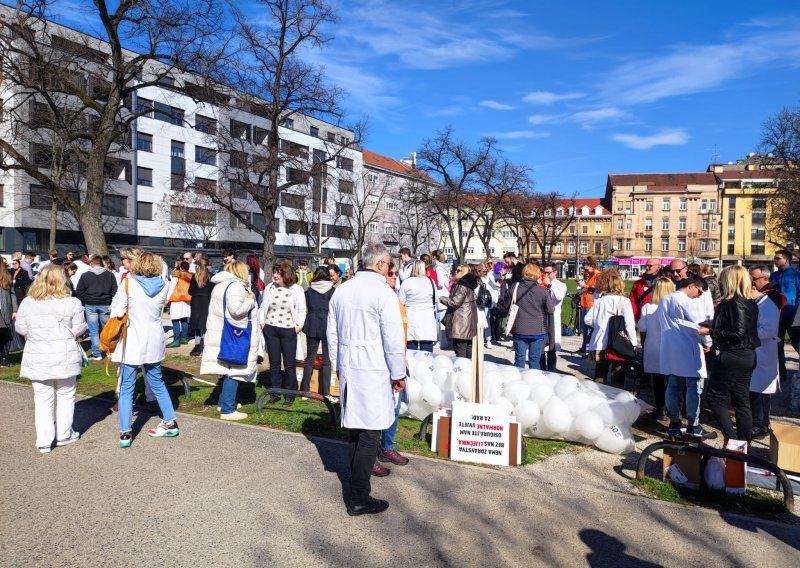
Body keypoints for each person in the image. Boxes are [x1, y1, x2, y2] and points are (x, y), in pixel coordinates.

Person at [327, 243, 406, 516]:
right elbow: (393, 338)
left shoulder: (343, 290)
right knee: (370, 433)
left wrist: (338, 366)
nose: (390, 270)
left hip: (350, 367)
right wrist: (398, 373)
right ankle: (359, 495)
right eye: (389, 265)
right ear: (380, 264)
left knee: (355, 430)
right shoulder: (383, 293)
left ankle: (356, 489)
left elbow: (332, 334)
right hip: (373, 367)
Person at [14, 264, 86, 453]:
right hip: (64, 351)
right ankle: (64, 433)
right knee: (66, 393)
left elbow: (21, 328)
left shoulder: (28, 302)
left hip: (38, 353)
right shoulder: (72, 303)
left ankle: (44, 439)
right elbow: (79, 328)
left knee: (43, 396)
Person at [110, 252, 177, 448]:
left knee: (127, 386)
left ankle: (125, 432)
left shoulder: (129, 284)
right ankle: (170, 420)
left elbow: (119, 311)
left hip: (133, 338)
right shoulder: (164, 285)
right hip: (154, 338)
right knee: (157, 382)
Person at [704, 266, 760, 443]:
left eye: (722, 280)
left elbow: (738, 333)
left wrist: (711, 332)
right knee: (741, 400)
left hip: (734, 355)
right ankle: (743, 444)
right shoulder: (748, 302)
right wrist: (715, 325)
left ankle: (732, 440)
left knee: (715, 397)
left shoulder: (733, 303)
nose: (720, 283)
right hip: (746, 355)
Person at [201, 260, 261, 421]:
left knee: (228, 367)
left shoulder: (221, 284)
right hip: (234, 333)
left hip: (222, 331)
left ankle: (224, 401)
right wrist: (251, 300)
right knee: (234, 370)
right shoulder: (235, 286)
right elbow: (236, 310)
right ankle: (227, 408)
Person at [656, 275, 714, 440]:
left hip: (669, 346)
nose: (699, 296)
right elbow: (700, 324)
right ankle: (693, 425)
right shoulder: (686, 301)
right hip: (688, 347)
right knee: (694, 387)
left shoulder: (665, 299)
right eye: (700, 292)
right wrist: (708, 341)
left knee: (673, 386)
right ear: (692, 286)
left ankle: (674, 424)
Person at [260, 261, 307, 407]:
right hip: (271, 329)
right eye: (274, 272)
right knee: (274, 363)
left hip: (288, 330)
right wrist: (263, 323)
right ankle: (275, 393)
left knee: (289, 364)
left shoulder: (296, 289)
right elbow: (263, 306)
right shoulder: (270, 287)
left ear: (286, 274)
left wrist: (298, 326)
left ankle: (290, 394)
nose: (275, 275)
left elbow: (301, 309)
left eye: (278, 273)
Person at [377, 262, 409, 471]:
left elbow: (400, 333)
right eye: (390, 274)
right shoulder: (381, 298)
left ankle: (387, 446)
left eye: (396, 274)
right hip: (381, 362)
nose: (394, 277)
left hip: (397, 359)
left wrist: (402, 357)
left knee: (394, 408)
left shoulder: (396, 300)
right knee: (379, 409)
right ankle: (373, 452)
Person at [584, 270, 637, 387]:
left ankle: (599, 396)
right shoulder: (624, 301)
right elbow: (629, 324)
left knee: (600, 374)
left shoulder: (599, 301)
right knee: (617, 373)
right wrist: (633, 342)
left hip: (600, 342)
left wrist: (599, 325)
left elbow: (587, 319)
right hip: (618, 342)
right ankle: (615, 399)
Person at [496, 263, 553, 369]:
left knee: (519, 359)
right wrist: (548, 287)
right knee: (535, 360)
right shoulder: (542, 290)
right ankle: (533, 382)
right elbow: (550, 309)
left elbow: (507, 303)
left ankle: (519, 381)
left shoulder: (515, 287)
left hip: (519, 328)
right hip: (538, 329)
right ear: (537, 275)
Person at [637, 277, 675, 420]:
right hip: (670, 347)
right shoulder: (674, 307)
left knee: (658, 380)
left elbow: (642, 326)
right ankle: (671, 408)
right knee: (672, 381)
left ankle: (661, 408)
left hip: (653, 347)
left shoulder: (648, 307)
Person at [749, 273, 780, 439]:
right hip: (756, 352)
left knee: (761, 392)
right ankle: (756, 422)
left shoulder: (767, 305)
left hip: (764, 353)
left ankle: (761, 425)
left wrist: (746, 332)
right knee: (753, 391)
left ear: (753, 288)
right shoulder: (758, 303)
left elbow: (767, 331)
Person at [300, 266, 335, 400]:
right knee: (327, 361)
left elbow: (306, 307)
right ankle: (326, 393)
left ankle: (305, 391)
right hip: (327, 324)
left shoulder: (309, 291)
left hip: (312, 324)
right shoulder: (332, 291)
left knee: (310, 359)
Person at [76, 255, 118, 360]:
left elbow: (79, 291)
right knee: (107, 329)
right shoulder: (109, 275)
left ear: (92, 263)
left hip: (90, 304)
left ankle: (97, 353)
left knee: (93, 330)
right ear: (102, 263)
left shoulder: (85, 276)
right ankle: (110, 351)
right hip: (105, 304)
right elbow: (115, 290)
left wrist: (82, 302)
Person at [770, 250, 800, 382]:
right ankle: (781, 373)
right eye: (775, 258)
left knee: (796, 342)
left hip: (793, 314)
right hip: (777, 315)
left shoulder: (796, 275)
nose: (774, 260)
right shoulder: (773, 275)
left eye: (778, 258)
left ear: (786, 260)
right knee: (777, 344)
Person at [440, 264, 479, 359]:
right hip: (469, 323)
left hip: (461, 324)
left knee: (461, 354)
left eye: (458, 270)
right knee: (469, 353)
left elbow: (455, 302)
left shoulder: (461, 286)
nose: (455, 272)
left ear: (464, 273)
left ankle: (463, 372)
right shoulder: (470, 285)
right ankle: (470, 372)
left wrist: (442, 298)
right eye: (455, 270)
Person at [399, 260, 438, 352]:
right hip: (427, 317)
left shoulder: (406, 282)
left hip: (411, 317)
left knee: (411, 347)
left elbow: (401, 301)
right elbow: (435, 299)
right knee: (427, 348)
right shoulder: (430, 282)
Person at [541, 262, 567, 372]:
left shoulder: (561, 285)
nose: (546, 275)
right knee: (540, 349)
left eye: (548, 272)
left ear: (555, 272)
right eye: (544, 272)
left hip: (553, 320)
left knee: (551, 349)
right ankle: (541, 370)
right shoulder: (541, 283)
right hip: (541, 319)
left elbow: (558, 297)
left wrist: (549, 285)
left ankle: (552, 371)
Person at [188, 258, 214, 357]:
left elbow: (190, 291)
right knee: (205, 324)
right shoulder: (211, 277)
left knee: (197, 324)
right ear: (208, 266)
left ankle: (197, 345)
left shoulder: (195, 276)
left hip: (196, 301)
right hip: (207, 301)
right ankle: (204, 345)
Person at [166, 261, 192, 348]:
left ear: (180, 268)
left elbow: (171, 288)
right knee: (184, 320)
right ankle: (184, 338)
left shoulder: (176, 276)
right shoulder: (191, 276)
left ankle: (176, 340)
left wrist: (167, 299)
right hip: (187, 301)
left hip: (177, 300)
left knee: (175, 321)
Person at [578, 257, 599, 354]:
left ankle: (588, 348)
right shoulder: (590, 276)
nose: (586, 271)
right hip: (585, 303)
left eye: (587, 269)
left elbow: (597, 290)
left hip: (591, 304)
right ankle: (584, 347)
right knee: (584, 327)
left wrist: (585, 286)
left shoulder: (598, 275)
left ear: (592, 266)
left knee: (589, 327)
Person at [0, 258, 15, 367]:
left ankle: (5, 356)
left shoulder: (7, 277)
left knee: (6, 334)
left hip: (5, 309)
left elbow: (13, 294)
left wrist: (15, 310)